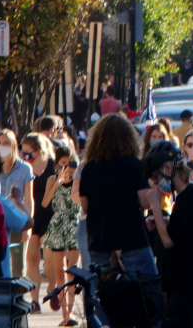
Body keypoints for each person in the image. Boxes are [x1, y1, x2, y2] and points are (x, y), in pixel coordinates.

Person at [77, 114, 165, 324]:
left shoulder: (89, 168)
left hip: (100, 243)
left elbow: (85, 205)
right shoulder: (134, 165)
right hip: (131, 241)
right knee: (148, 295)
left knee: (104, 300)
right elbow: (144, 202)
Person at [145, 140, 193, 328]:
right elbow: (186, 229)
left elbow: (169, 240)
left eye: (156, 177)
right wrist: (163, 221)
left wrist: (155, 206)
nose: (155, 183)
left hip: (189, 286)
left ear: (168, 168)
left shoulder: (189, 197)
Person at [42, 147, 83, 326]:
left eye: (70, 163)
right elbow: (44, 203)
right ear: (57, 163)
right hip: (58, 225)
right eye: (63, 163)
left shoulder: (79, 180)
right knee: (60, 272)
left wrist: (76, 180)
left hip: (75, 224)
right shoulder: (52, 179)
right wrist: (58, 183)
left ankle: (71, 312)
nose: (67, 167)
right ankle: (65, 315)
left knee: (72, 271)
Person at [0, 128, 34, 280]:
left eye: (6, 143)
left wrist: (28, 225)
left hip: (17, 219)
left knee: (19, 268)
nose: (2, 146)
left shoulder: (24, 168)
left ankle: (19, 300)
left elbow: (29, 199)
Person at [22, 132, 55, 311]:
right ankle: (35, 301)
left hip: (51, 216)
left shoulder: (53, 165)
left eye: (28, 152)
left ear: (39, 150)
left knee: (50, 259)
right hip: (31, 217)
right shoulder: (23, 167)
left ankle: (53, 287)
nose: (25, 155)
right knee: (32, 260)